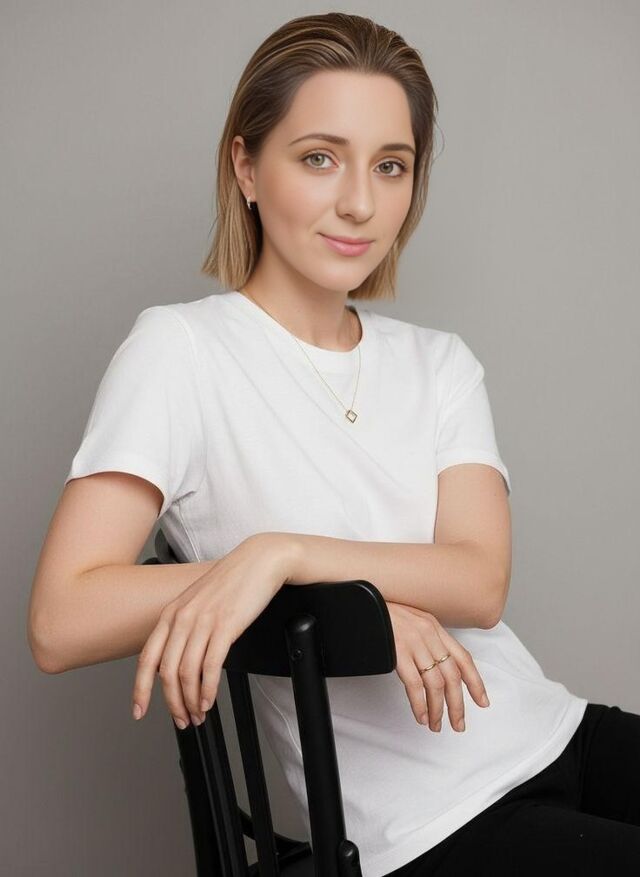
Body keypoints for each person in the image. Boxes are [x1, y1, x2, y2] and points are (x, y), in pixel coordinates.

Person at [27, 11, 640, 876]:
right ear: (246, 165)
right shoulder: (181, 350)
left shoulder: (440, 362)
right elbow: (62, 618)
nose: (360, 202)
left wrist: (283, 554)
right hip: (429, 822)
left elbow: (478, 581)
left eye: (391, 166)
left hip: (553, 728)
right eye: (320, 158)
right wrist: (346, 601)